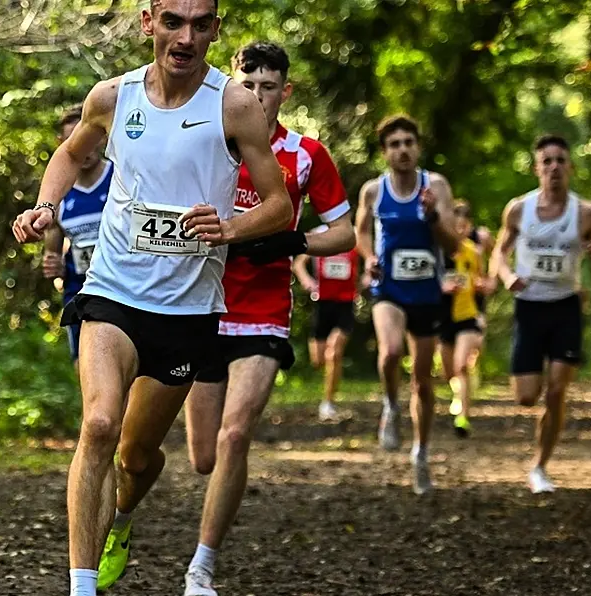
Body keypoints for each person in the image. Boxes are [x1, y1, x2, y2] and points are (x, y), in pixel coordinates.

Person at [12, 1, 294, 594]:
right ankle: (82, 586)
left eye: (199, 24)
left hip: (188, 311)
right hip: (112, 293)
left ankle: (122, 518)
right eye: (173, 21)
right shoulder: (113, 98)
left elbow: (278, 205)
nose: (185, 36)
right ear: (148, 24)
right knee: (98, 423)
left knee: (137, 458)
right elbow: (70, 154)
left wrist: (231, 228)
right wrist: (46, 205)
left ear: (215, 30)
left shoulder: (234, 106)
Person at [181, 41, 355, 596]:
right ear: (235, 83)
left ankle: (201, 568)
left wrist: (293, 240)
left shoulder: (306, 154)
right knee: (204, 457)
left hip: (263, 313)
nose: (258, 96)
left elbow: (345, 232)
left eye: (269, 86)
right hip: (200, 305)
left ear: (287, 90)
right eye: (248, 84)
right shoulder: (203, 139)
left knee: (235, 437)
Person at [354, 114, 459, 495]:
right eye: (394, 144)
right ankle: (389, 407)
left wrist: (431, 216)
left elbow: (453, 246)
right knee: (390, 351)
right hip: (390, 289)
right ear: (384, 152)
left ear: (418, 148)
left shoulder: (437, 187)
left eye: (408, 143)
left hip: (427, 293)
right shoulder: (373, 190)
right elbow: (361, 231)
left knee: (423, 381)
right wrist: (367, 257)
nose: (402, 150)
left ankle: (421, 452)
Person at [489, 133, 591, 494]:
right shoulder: (519, 209)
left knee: (556, 392)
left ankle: (540, 466)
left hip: (566, 306)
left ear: (570, 167)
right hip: (529, 307)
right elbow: (498, 253)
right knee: (526, 396)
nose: (554, 167)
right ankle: (538, 455)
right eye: (546, 161)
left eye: (560, 161)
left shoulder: (586, 213)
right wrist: (506, 276)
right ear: (537, 169)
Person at [41, 104, 113, 371]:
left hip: (123, 291)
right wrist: (53, 266)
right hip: (79, 295)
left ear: (102, 137)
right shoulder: (58, 192)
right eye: (73, 140)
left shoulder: (120, 178)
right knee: (86, 371)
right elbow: (53, 253)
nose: (82, 147)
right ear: (62, 144)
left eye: (88, 139)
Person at [438, 200, 495, 437]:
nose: (459, 232)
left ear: (468, 227)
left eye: (463, 227)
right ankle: (457, 394)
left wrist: (484, 286)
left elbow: (483, 281)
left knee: (462, 365)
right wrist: (442, 286)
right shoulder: (438, 252)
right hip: (442, 317)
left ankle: (463, 417)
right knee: (448, 372)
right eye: (455, 227)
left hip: (467, 315)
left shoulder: (474, 252)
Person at [293, 223, 360, 421]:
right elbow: (298, 263)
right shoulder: (317, 234)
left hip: (346, 303)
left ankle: (328, 403)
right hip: (323, 303)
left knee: (334, 352)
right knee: (318, 359)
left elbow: (371, 255)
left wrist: (366, 279)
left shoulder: (352, 234)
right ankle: (327, 390)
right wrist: (307, 281)